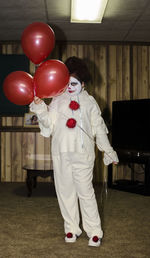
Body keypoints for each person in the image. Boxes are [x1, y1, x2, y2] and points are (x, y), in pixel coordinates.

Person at [30, 56, 119, 247]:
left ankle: (94, 231)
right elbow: (48, 125)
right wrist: (40, 108)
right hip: (61, 154)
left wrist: (108, 151)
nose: (69, 87)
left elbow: (99, 128)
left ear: (83, 83)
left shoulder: (90, 103)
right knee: (65, 192)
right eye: (66, 82)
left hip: (83, 155)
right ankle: (71, 228)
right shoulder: (57, 100)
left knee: (86, 193)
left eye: (74, 83)